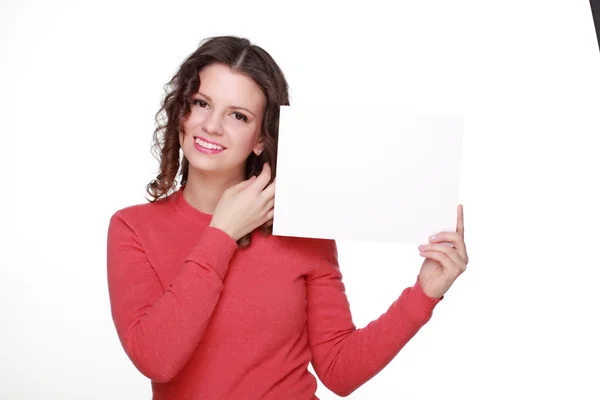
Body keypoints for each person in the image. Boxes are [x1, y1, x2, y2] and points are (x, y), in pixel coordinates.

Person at [106, 35, 469, 400]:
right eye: (202, 103)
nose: (212, 125)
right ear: (182, 111)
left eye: (238, 115)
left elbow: (340, 372)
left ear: (260, 140)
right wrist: (222, 233)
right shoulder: (132, 228)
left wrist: (424, 293)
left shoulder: (302, 223)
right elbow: (157, 359)